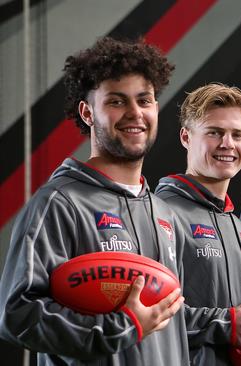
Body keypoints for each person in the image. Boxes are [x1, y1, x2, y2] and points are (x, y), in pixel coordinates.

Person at [0, 37, 193, 365]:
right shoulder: (59, 203)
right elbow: (16, 313)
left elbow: (171, 320)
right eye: (117, 102)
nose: (135, 113)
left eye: (144, 100)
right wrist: (120, 328)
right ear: (87, 112)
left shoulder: (165, 213)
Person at [155, 83, 241, 365]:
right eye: (214, 132)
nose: (227, 144)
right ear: (186, 137)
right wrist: (227, 322)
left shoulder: (239, 229)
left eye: (238, 135)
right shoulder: (160, 213)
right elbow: (152, 314)